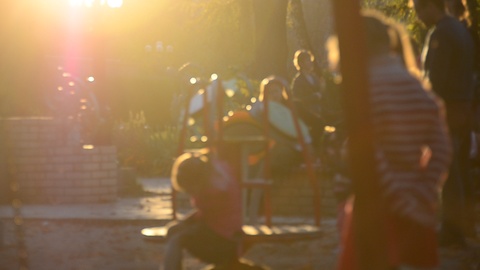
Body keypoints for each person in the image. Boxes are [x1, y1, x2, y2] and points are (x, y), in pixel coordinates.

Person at [337, 10, 451, 269]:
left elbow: (368, 150)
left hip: (377, 202)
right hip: (417, 201)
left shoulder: (366, 86)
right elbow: (442, 147)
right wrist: (423, 191)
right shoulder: (415, 85)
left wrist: (397, 196)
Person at [413, 0, 476, 246]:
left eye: (420, 10)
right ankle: (466, 224)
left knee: (447, 170)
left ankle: (452, 230)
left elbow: (435, 79)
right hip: (462, 107)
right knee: (459, 166)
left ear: (432, 6)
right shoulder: (460, 30)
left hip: (447, 109)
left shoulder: (441, 32)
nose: (418, 16)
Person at [162, 148, 243, 270]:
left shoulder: (213, 191)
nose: (191, 194)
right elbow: (205, 213)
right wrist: (185, 222)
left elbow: (205, 216)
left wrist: (185, 223)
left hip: (223, 241)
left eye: (191, 190)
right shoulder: (218, 174)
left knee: (176, 239)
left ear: (195, 181)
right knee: (173, 230)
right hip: (226, 234)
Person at [291, 49, 325, 152]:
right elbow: (298, 100)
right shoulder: (298, 81)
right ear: (301, 63)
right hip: (308, 114)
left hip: (321, 110)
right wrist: (314, 97)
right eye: (307, 60)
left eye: (310, 60)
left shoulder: (314, 78)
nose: (310, 63)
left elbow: (321, 95)